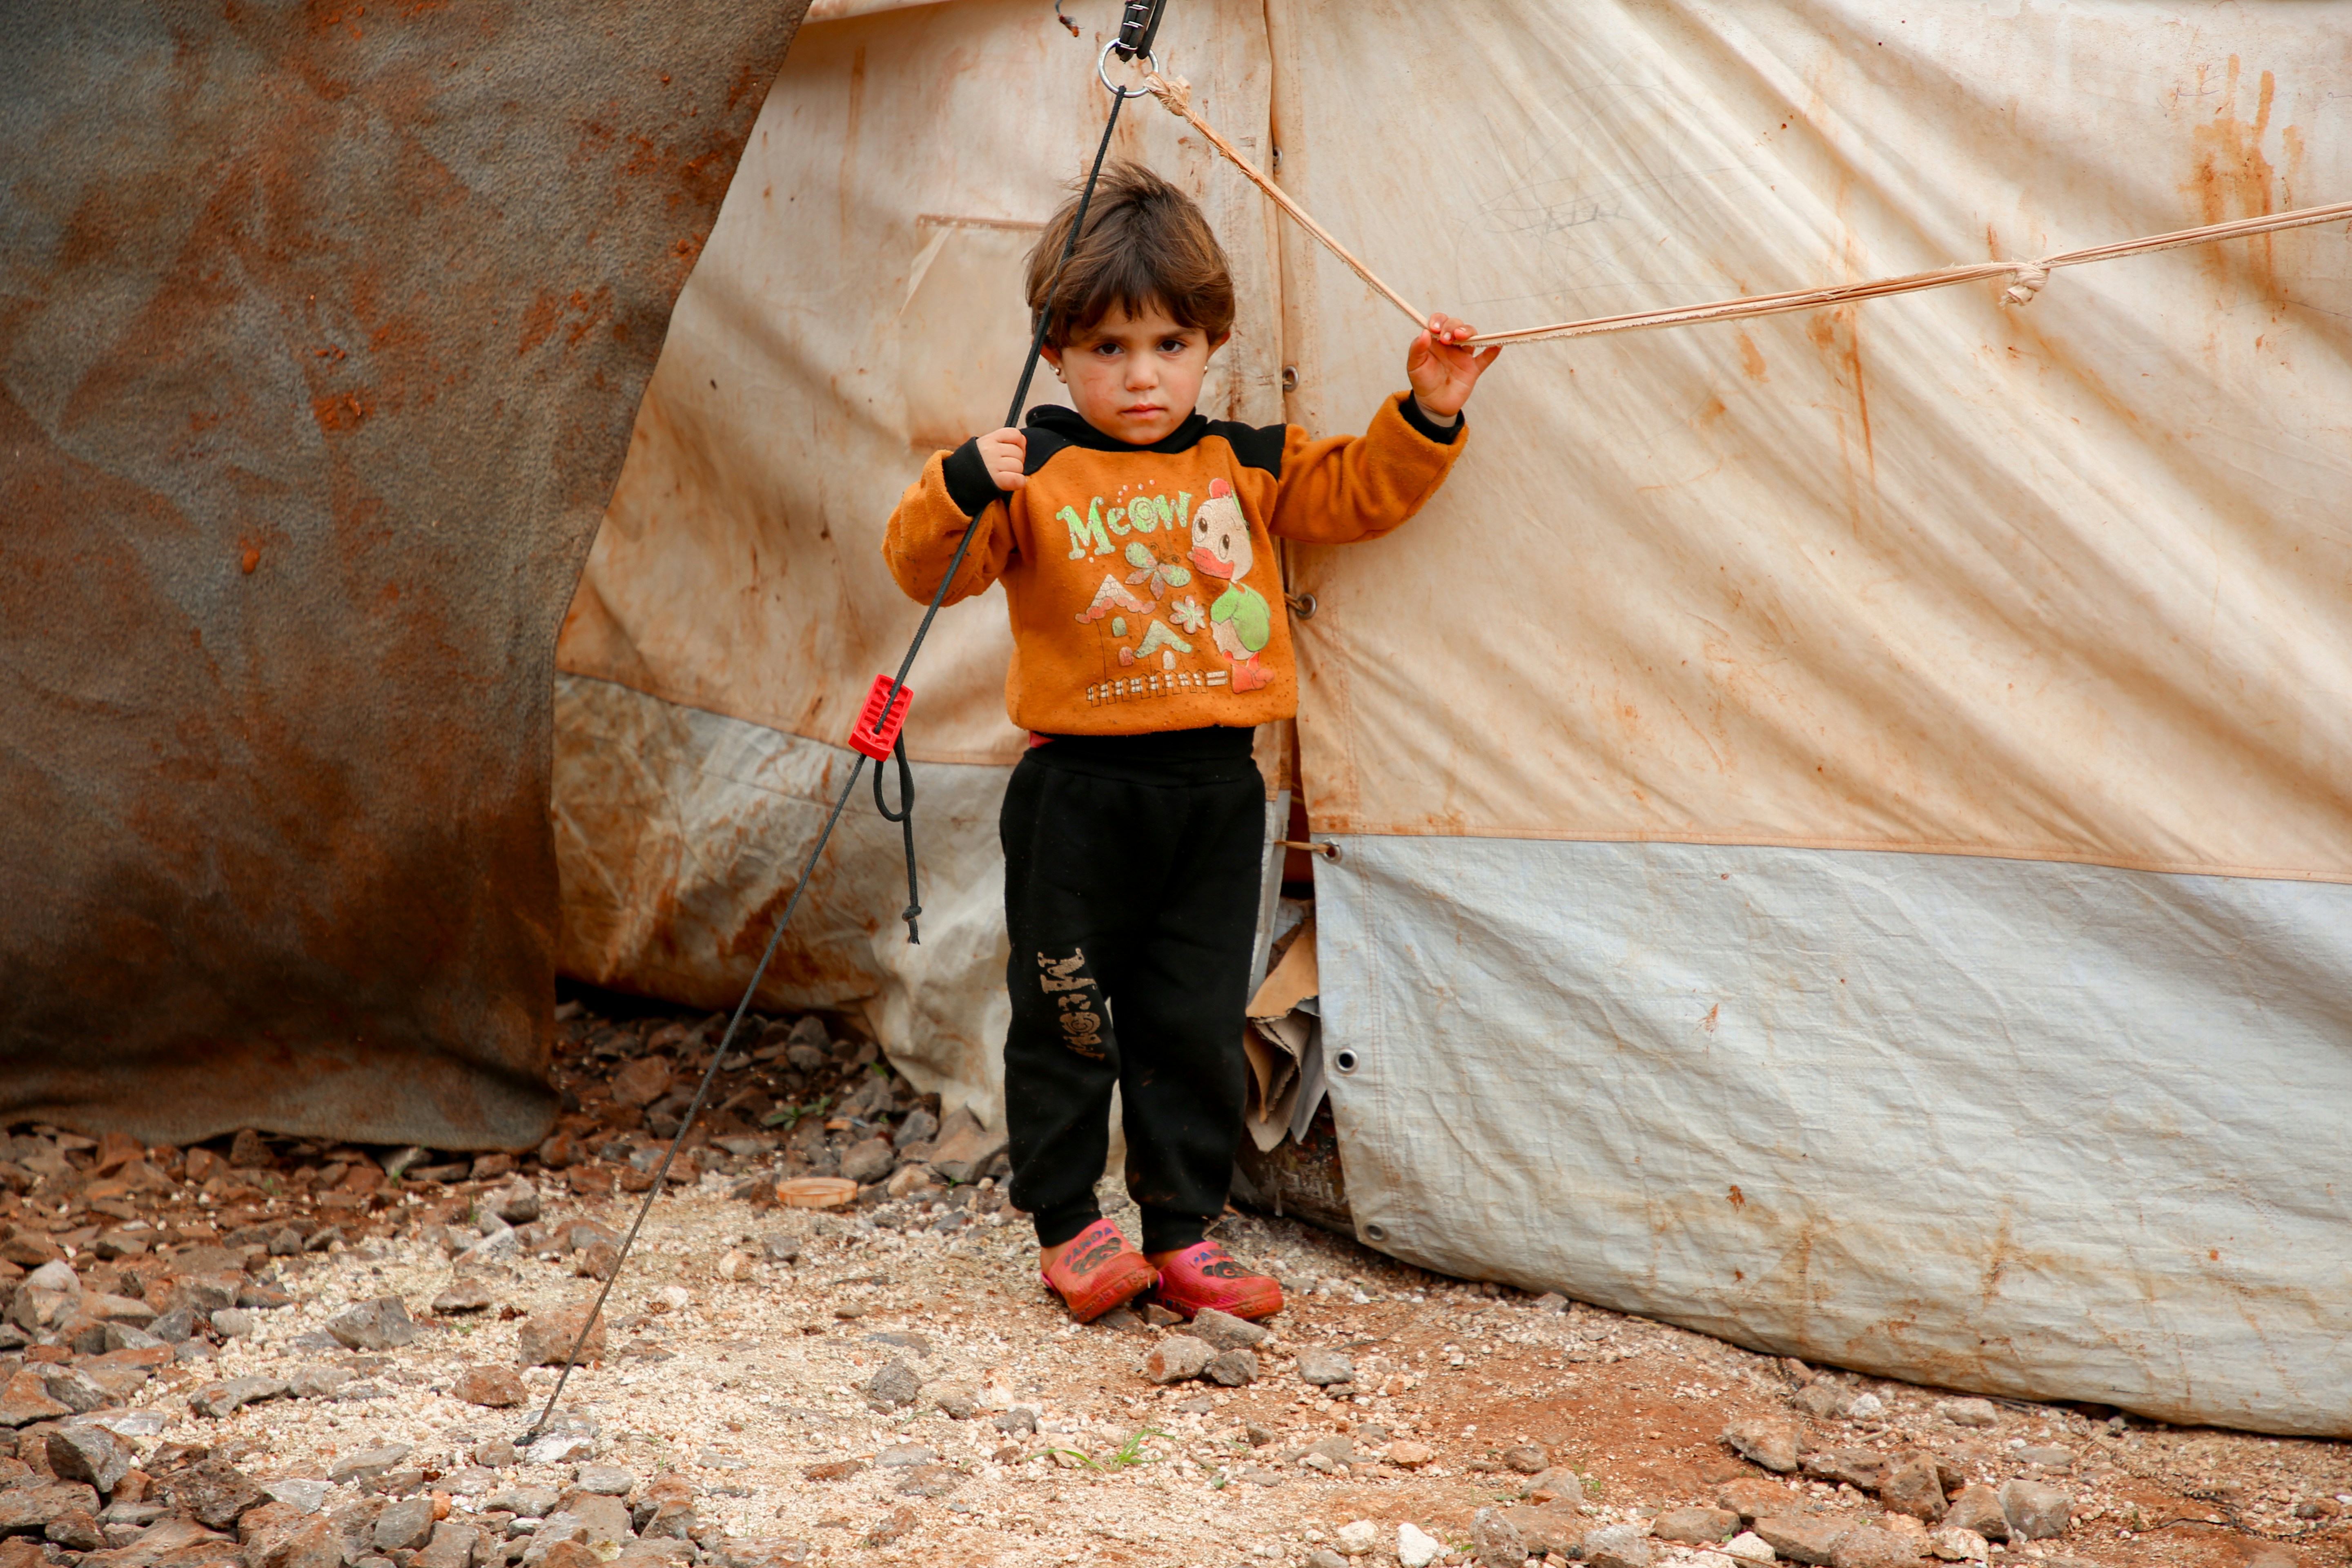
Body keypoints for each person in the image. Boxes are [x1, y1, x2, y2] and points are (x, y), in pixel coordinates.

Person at [882, 162, 1498, 1323]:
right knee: (1069, 1012)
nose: (1141, 374)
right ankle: (1069, 1223)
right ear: (1056, 350)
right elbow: (927, 571)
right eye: (1108, 347)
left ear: (1211, 342)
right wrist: (959, 482)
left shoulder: (1247, 464)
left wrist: (1431, 408)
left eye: (1168, 343)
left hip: (1219, 792)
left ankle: (1183, 1231)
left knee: (1195, 1019)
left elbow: (1362, 493)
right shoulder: (1037, 472)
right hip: (1078, 795)